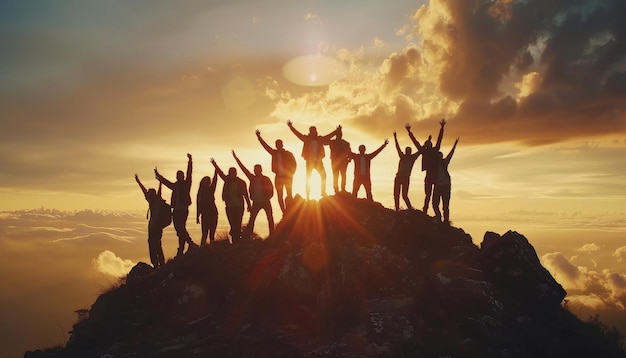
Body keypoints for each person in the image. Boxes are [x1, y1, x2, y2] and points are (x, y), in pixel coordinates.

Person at [155, 153, 198, 257]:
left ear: (182, 176)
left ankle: (189, 244)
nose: (179, 177)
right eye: (178, 175)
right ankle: (182, 249)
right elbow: (166, 182)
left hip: (183, 210)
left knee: (180, 228)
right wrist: (159, 176)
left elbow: (190, 173)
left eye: (180, 175)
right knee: (179, 229)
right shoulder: (175, 185)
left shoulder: (186, 184)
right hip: (176, 210)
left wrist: (190, 161)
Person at [287, 120, 339, 199]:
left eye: (314, 130)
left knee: (323, 176)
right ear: (310, 132)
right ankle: (308, 196)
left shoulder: (320, 139)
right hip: (309, 162)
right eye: (312, 131)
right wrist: (291, 127)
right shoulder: (306, 139)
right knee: (308, 178)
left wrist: (336, 131)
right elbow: (298, 134)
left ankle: (323, 192)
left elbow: (328, 136)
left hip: (318, 162)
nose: (314, 132)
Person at [232, 150, 275, 239]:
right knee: (252, 219)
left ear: (261, 170)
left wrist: (268, 197)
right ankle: (247, 236)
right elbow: (243, 169)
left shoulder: (266, 179)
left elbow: (271, 189)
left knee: (270, 218)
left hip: (265, 201)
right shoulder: (252, 178)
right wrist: (236, 159)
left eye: (258, 169)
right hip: (256, 202)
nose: (256, 171)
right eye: (255, 170)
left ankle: (272, 236)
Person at [407, 119, 445, 214]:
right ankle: (427, 211)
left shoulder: (426, 151)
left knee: (430, 196)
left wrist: (442, 128)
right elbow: (416, 142)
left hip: (432, 176)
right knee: (430, 195)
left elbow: (439, 139)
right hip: (432, 176)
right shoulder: (432, 150)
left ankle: (427, 211)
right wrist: (409, 132)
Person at [256, 129, 296, 213]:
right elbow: (266, 146)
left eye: (279, 144)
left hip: (287, 177)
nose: (278, 146)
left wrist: (291, 173)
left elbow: (294, 164)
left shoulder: (288, 154)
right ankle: (284, 212)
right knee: (280, 196)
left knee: (289, 194)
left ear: (282, 145)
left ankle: (290, 210)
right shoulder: (274, 153)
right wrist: (259, 137)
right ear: (276, 145)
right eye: (276, 144)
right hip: (278, 177)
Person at [211, 158, 250, 243]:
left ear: (236, 173)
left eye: (233, 172)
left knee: (238, 223)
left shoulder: (241, 182)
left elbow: (245, 194)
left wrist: (249, 205)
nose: (232, 174)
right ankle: (235, 239)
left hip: (239, 206)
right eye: (230, 172)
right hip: (229, 206)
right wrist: (214, 164)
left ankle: (237, 240)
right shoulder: (227, 180)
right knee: (232, 224)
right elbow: (220, 173)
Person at [135, 174, 166, 270]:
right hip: (157, 228)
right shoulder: (157, 201)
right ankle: (161, 264)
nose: (148, 195)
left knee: (153, 247)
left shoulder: (155, 201)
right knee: (157, 246)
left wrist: (138, 181)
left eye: (149, 193)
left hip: (154, 228)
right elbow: (147, 191)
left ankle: (156, 265)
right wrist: (138, 181)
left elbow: (145, 191)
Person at [433, 137, 460, 224]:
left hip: (445, 185)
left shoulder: (444, 162)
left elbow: (450, 154)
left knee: (445, 205)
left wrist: (455, 145)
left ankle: (445, 221)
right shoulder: (435, 165)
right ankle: (439, 217)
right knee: (435, 203)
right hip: (438, 185)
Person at [393, 130, 421, 211]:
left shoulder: (412, 157)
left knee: (404, 195)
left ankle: (410, 209)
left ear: (410, 151)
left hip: (405, 178)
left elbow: (420, 151)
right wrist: (395, 138)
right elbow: (397, 147)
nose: (408, 152)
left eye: (409, 150)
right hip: (399, 177)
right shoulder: (402, 156)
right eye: (407, 150)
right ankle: (397, 209)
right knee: (396, 194)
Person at [196, 170, 219, 246]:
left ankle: (212, 248)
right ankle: (202, 248)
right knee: (204, 233)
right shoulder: (200, 192)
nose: (207, 183)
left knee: (212, 233)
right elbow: (198, 205)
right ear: (202, 182)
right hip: (205, 215)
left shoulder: (211, 190)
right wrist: (197, 216)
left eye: (208, 181)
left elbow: (215, 181)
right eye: (205, 181)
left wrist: (216, 170)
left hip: (213, 214)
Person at [329, 126, 352, 194]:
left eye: (340, 134)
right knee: (336, 175)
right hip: (335, 162)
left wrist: (349, 159)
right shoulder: (332, 142)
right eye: (338, 134)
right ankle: (336, 190)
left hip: (343, 162)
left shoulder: (345, 143)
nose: (339, 136)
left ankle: (343, 189)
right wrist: (335, 131)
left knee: (343, 175)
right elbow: (324, 141)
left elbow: (349, 151)